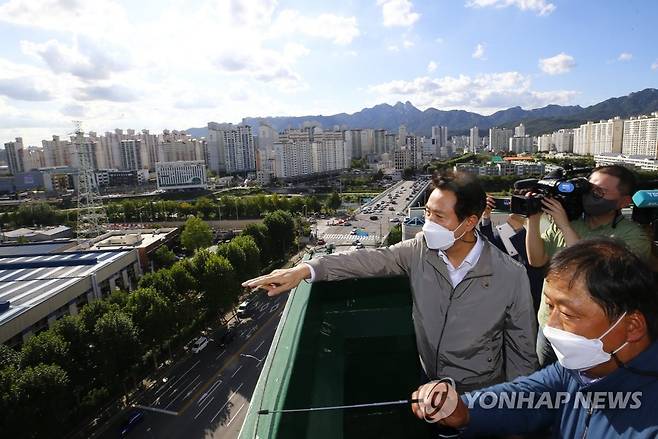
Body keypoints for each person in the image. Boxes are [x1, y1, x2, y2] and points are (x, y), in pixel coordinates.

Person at [243, 172, 538, 393]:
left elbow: (522, 351)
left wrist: (513, 414)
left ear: (470, 222)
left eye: (439, 216)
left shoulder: (510, 275)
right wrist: (306, 270)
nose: (428, 223)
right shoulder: (420, 249)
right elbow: (369, 260)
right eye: (428, 213)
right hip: (430, 380)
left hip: (481, 391)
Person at [410, 238, 658, 438]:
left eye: (568, 313)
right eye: (550, 306)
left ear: (632, 326)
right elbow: (525, 395)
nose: (550, 325)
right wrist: (463, 409)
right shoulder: (576, 372)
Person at [525, 165, 652, 366]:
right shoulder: (573, 223)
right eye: (589, 189)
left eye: (600, 192)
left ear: (624, 201)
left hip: (593, 335)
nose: (592, 196)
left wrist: (565, 226)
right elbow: (536, 260)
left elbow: (594, 277)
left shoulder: (632, 236)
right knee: (549, 388)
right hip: (551, 323)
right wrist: (532, 218)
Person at [479, 197, 545, 314]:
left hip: (535, 294)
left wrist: (520, 230)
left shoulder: (543, 226)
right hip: (510, 296)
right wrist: (486, 216)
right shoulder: (505, 231)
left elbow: (534, 261)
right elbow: (489, 245)